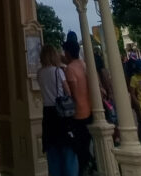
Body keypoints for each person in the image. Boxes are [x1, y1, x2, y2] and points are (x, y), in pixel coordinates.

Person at [38, 44, 78, 176]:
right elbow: (67, 90)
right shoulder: (58, 71)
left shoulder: (40, 73)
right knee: (67, 149)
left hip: (47, 113)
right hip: (61, 112)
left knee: (52, 151)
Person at [62, 32, 92, 176]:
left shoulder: (70, 69)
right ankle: (88, 164)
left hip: (78, 112)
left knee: (79, 145)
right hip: (90, 109)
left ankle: (83, 168)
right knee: (86, 142)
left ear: (67, 52)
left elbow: (72, 92)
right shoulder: (84, 64)